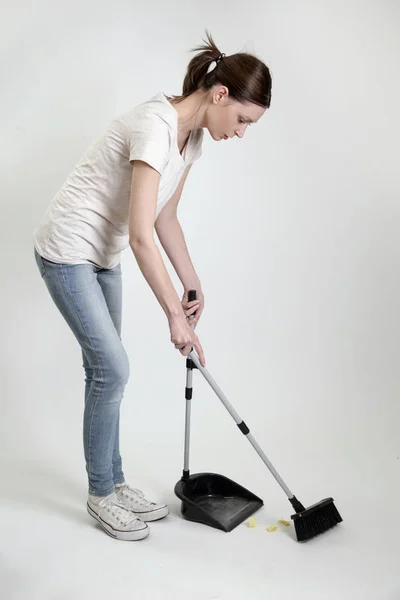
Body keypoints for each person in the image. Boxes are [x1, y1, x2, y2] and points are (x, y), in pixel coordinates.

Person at [33, 30, 272, 541]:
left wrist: (192, 283)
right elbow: (141, 236)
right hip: (67, 249)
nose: (242, 133)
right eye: (244, 121)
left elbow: (164, 219)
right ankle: (101, 494)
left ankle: (116, 483)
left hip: (103, 254)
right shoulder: (155, 127)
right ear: (220, 95)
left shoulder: (194, 141)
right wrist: (172, 315)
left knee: (104, 373)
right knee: (112, 369)